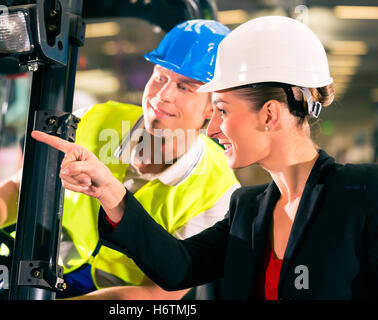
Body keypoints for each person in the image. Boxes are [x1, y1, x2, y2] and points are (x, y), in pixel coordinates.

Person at [31, 16, 378, 299]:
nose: (211, 130)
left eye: (222, 111)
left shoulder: (363, 194)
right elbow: (179, 267)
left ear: (270, 115)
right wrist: (110, 192)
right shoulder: (248, 208)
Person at [0, 19, 240, 299]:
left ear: (213, 108)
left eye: (185, 86)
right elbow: (16, 190)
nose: (162, 95)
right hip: (33, 268)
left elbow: (156, 294)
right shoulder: (93, 120)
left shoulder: (218, 193)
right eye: (160, 77)